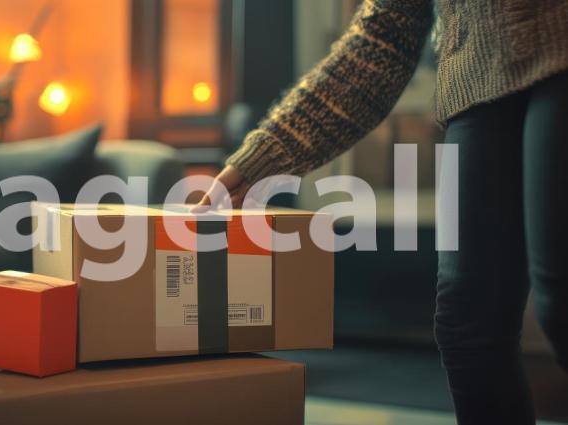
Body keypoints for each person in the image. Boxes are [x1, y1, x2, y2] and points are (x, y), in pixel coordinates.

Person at [195, 0, 568, 423]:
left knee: (561, 301)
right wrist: (257, 161)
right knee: (469, 328)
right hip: (478, 82)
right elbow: (383, 35)